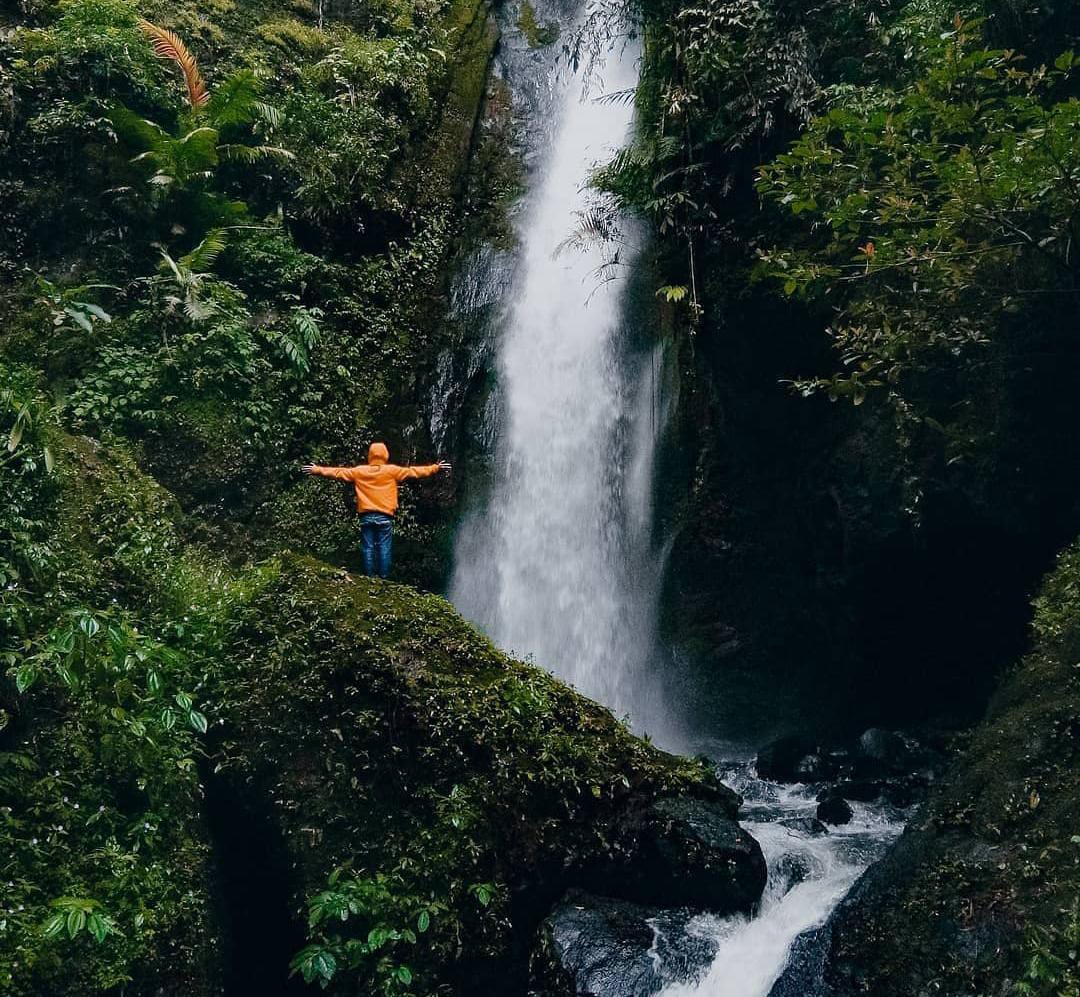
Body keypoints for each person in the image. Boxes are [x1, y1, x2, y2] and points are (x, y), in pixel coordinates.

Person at [303, 442, 450, 578]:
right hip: (385, 516)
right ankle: (383, 577)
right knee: (384, 547)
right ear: (385, 455)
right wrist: (436, 468)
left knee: (368, 547)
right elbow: (414, 472)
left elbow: (338, 472)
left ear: (370, 455)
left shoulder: (360, 471)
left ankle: (369, 577)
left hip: (366, 515)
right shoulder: (392, 471)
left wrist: (317, 469)